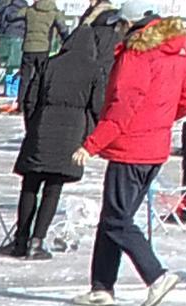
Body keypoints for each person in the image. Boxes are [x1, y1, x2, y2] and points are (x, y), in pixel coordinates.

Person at [81, 0, 186, 295]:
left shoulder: (137, 54)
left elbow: (122, 105)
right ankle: (101, 287)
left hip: (131, 147)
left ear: (130, 25)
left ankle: (156, 275)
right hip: (155, 146)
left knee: (117, 220)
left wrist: (91, 144)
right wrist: (162, 118)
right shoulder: (180, 51)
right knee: (113, 217)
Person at [6, 0, 114, 254]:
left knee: (30, 185)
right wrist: (89, 134)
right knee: (53, 189)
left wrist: (33, 124)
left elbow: (31, 98)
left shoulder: (51, 64)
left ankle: (20, 239)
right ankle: (37, 242)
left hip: (42, 128)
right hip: (71, 132)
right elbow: (97, 106)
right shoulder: (93, 69)